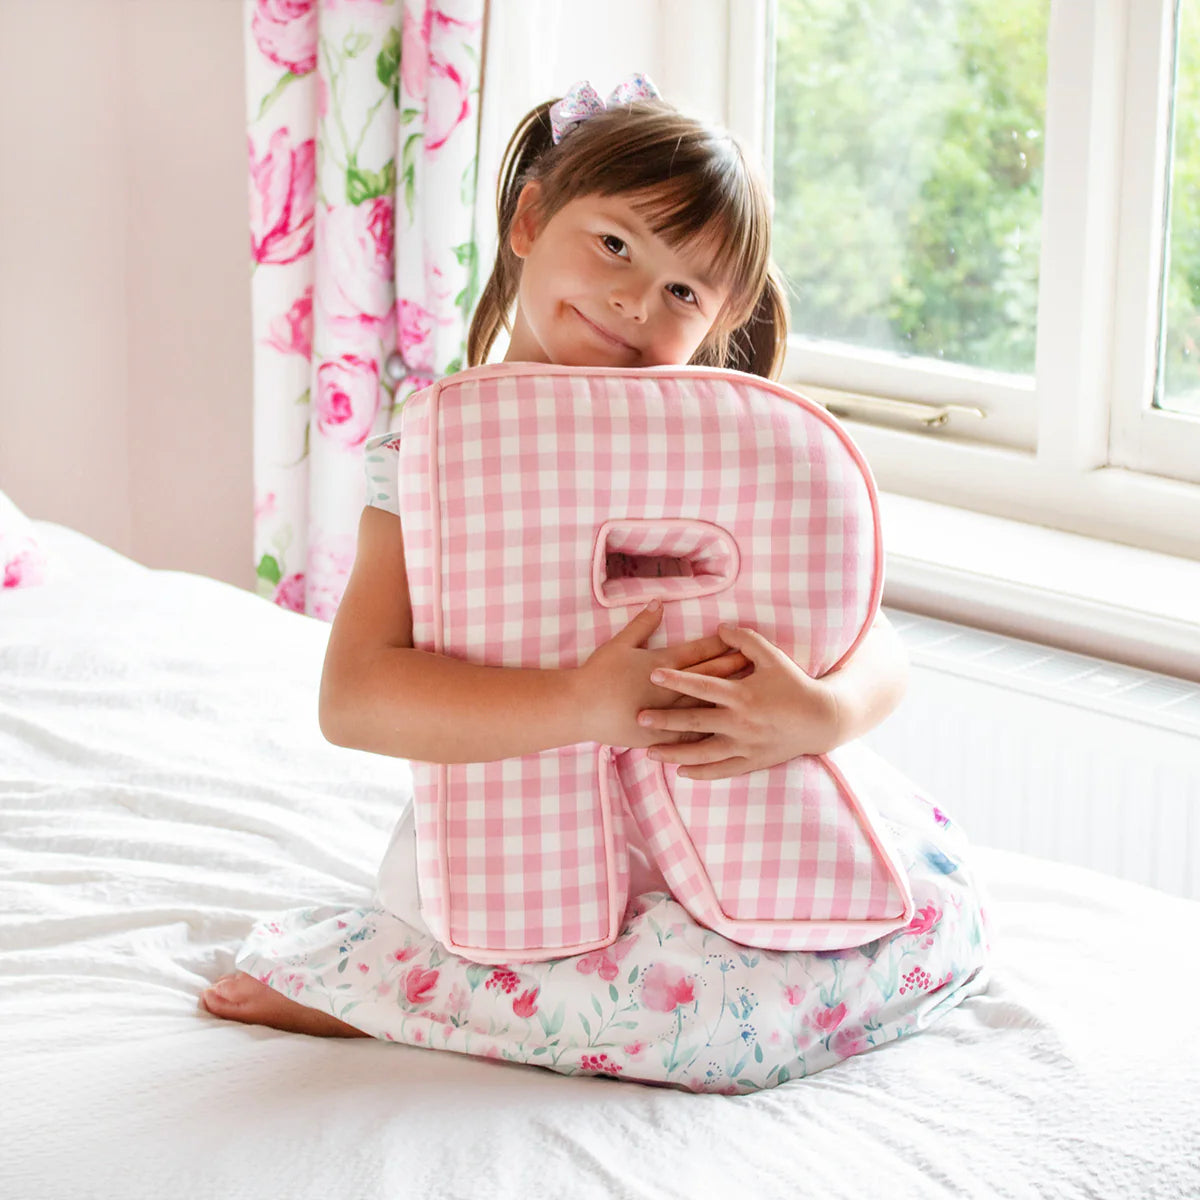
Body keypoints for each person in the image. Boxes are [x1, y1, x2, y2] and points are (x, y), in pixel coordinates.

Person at [203, 79, 988, 1089]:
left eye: (684, 291)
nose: (635, 301)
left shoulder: (737, 449)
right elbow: (355, 698)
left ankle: (448, 1000)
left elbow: (872, 636)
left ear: (722, 318)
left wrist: (822, 711)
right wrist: (582, 702)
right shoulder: (441, 456)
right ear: (531, 218)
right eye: (617, 246)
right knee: (681, 1010)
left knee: (923, 915)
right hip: (526, 832)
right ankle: (395, 990)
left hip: (738, 808)